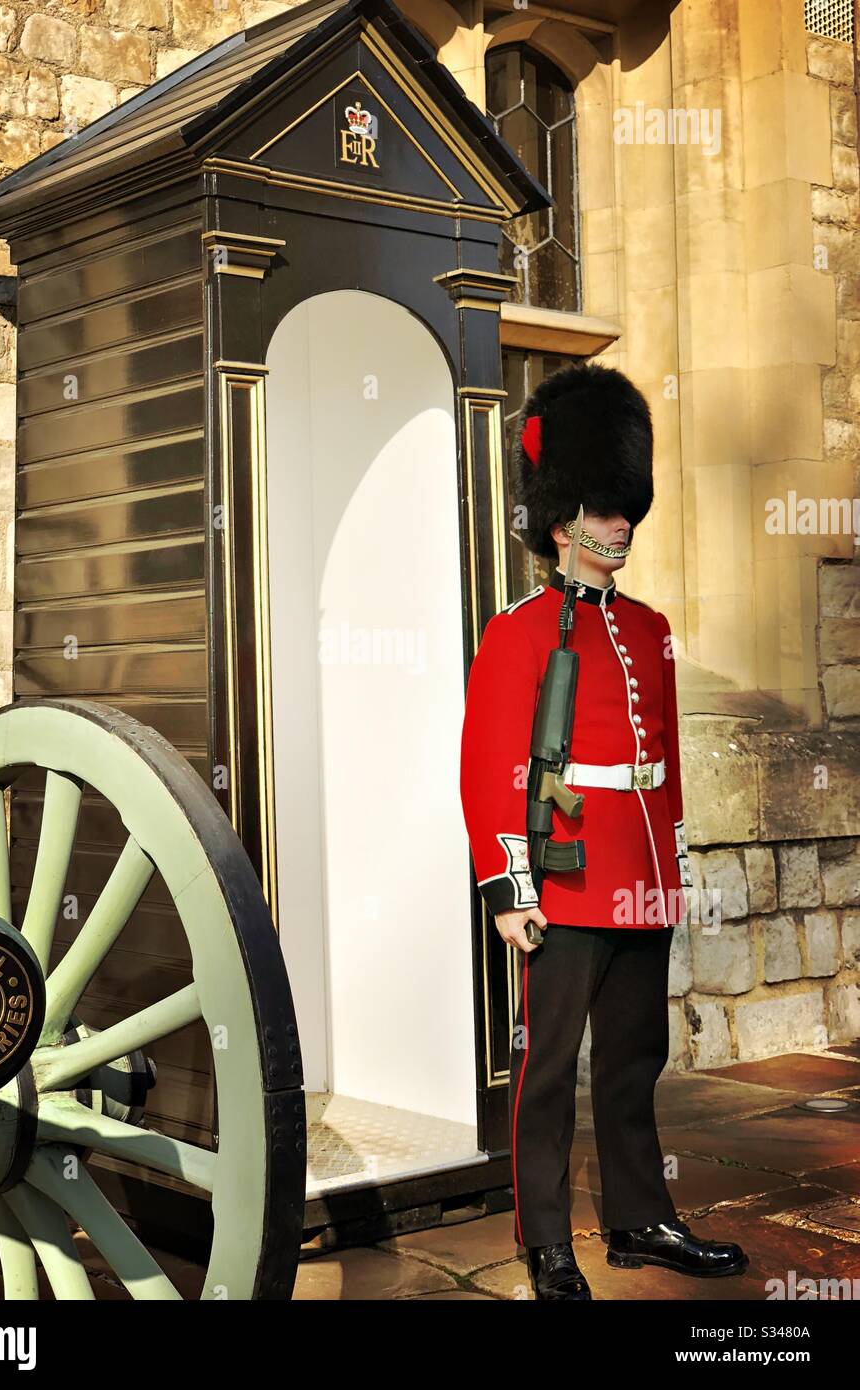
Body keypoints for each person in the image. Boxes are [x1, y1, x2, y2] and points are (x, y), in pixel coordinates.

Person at [459, 362, 748, 1300]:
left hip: (637, 874)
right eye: (604, 507)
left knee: (634, 1063)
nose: (621, 525)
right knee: (547, 1072)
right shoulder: (518, 630)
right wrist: (511, 889)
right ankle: (545, 1237)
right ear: (561, 518)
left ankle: (637, 1218)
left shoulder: (653, 628)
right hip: (566, 877)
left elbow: (657, 769)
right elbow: (490, 769)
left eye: (626, 508)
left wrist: (666, 874)